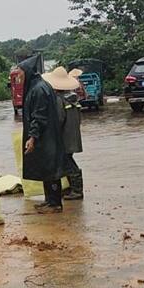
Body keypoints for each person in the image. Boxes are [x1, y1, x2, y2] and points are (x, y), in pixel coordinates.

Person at [21, 60, 68, 213]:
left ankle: (55, 204)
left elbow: (39, 116)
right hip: (45, 136)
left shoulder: (39, 89)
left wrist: (32, 137)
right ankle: (49, 200)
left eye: (21, 72)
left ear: (27, 72)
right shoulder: (37, 86)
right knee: (45, 168)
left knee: (51, 169)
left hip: (46, 136)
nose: (19, 75)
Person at [58, 71, 84, 200]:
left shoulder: (60, 100)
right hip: (74, 135)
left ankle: (77, 190)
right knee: (66, 160)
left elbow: (59, 119)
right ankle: (71, 188)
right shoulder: (74, 98)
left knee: (67, 162)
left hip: (64, 136)